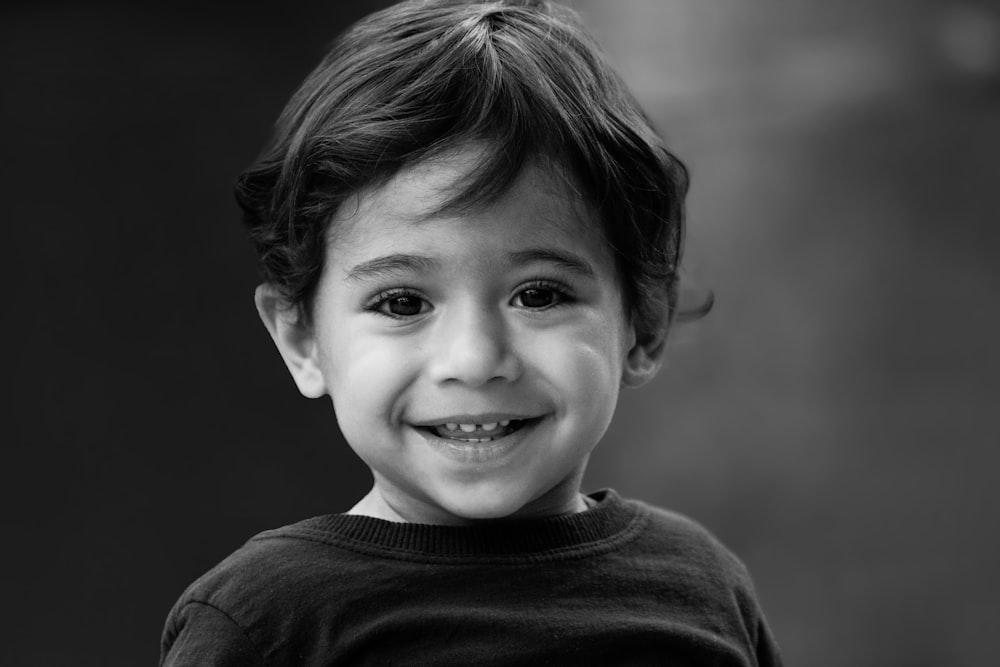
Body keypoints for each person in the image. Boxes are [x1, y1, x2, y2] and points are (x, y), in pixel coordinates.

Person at [160, 0, 782, 664]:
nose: (475, 359)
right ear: (302, 340)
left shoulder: (701, 585)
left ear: (645, 322)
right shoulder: (271, 619)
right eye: (402, 302)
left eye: (538, 294)